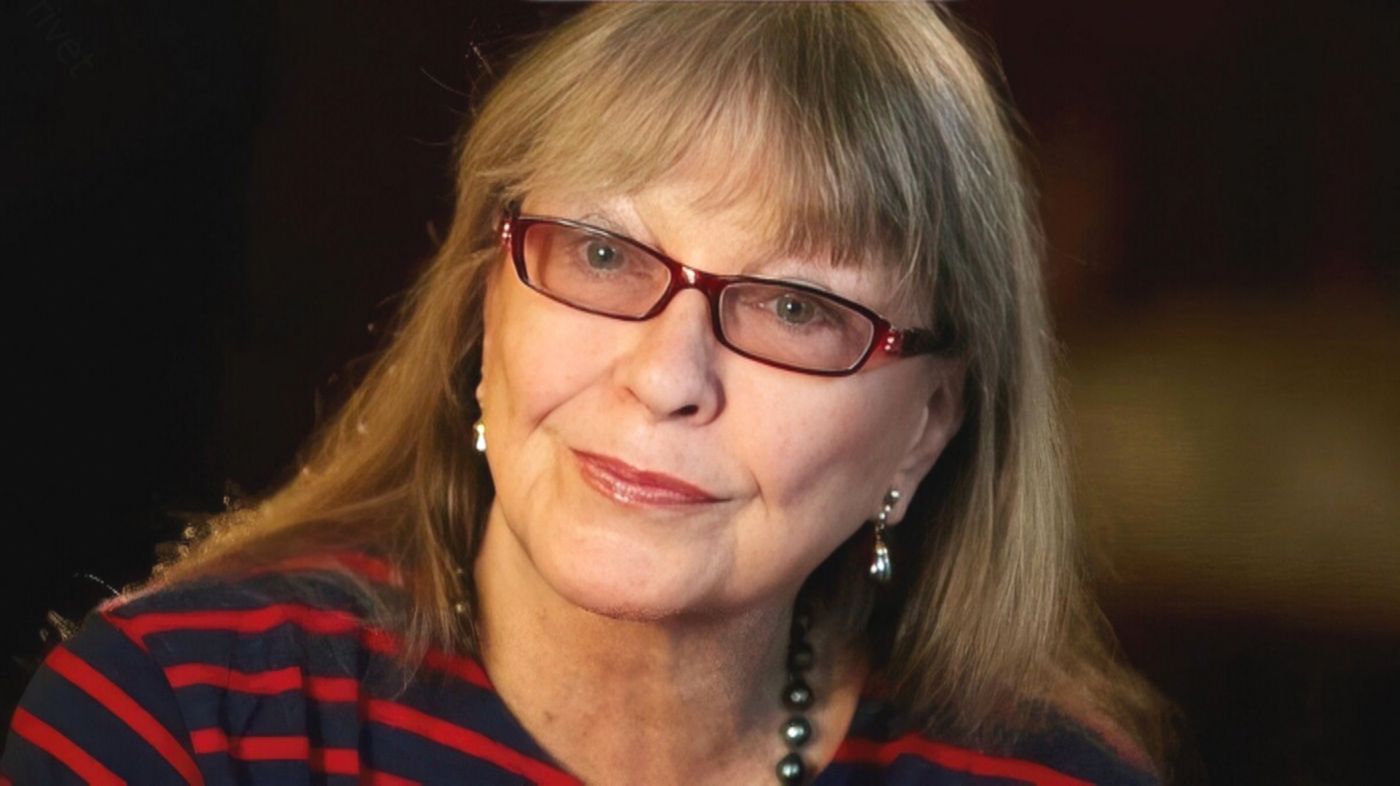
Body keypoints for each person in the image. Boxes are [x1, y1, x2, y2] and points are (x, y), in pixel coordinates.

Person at [2, 3, 1173, 784]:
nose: (665, 378)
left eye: (793, 308)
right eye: (604, 255)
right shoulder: (177, 725)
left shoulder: (1049, 777)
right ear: (485, 305)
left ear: (924, 425)